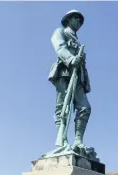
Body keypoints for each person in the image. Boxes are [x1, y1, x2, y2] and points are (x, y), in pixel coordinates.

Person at [48, 10, 91, 149]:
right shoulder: (60, 32)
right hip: (64, 74)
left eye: (80, 20)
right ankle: (62, 140)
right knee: (62, 108)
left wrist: (86, 82)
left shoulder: (78, 42)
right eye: (76, 19)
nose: (79, 22)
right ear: (68, 19)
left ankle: (78, 141)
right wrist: (72, 59)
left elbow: (83, 66)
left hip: (78, 78)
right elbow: (59, 47)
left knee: (85, 108)